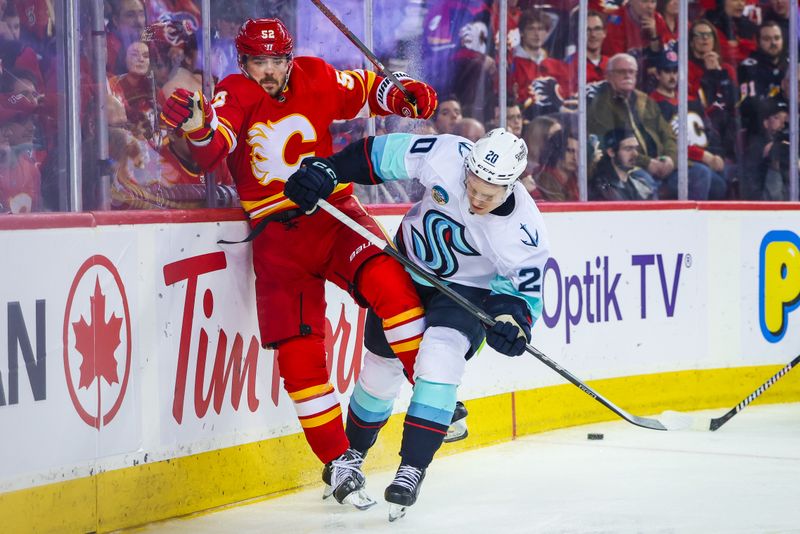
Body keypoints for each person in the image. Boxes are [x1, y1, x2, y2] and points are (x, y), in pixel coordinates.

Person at [159, 18, 438, 509]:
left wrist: (401, 95)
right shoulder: (235, 92)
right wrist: (198, 126)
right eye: (257, 62)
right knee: (299, 353)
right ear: (242, 62)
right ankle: (338, 460)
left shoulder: (315, 74)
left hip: (335, 215)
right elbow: (213, 148)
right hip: (278, 239)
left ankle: (434, 393)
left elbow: (368, 88)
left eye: (275, 61)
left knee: (392, 285)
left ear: (289, 58)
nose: (267, 72)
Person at [283, 128, 550, 520]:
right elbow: (379, 155)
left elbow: (518, 299)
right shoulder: (449, 153)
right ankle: (353, 452)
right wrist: (329, 170)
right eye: (471, 186)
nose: (475, 198)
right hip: (405, 272)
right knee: (379, 374)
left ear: (511, 185)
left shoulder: (524, 233)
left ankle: (412, 469)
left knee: (439, 359)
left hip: (465, 296)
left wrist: (511, 323)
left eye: (487, 195)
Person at [588, 53, 715, 200]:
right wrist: (648, 163)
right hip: (632, 167)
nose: (627, 75)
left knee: (701, 173)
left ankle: (690, 221)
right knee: (644, 183)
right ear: (608, 76)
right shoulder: (601, 105)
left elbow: (668, 136)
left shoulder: (645, 100)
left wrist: (670, 160)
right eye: (621, 72)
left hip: (662, 164)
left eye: (631, 72)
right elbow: (611, 148)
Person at [589, 128, 658, 200]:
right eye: (628, 149)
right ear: (611, 152)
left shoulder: (643, 186)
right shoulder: (601, 188)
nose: (635, 154)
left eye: (636, 149)